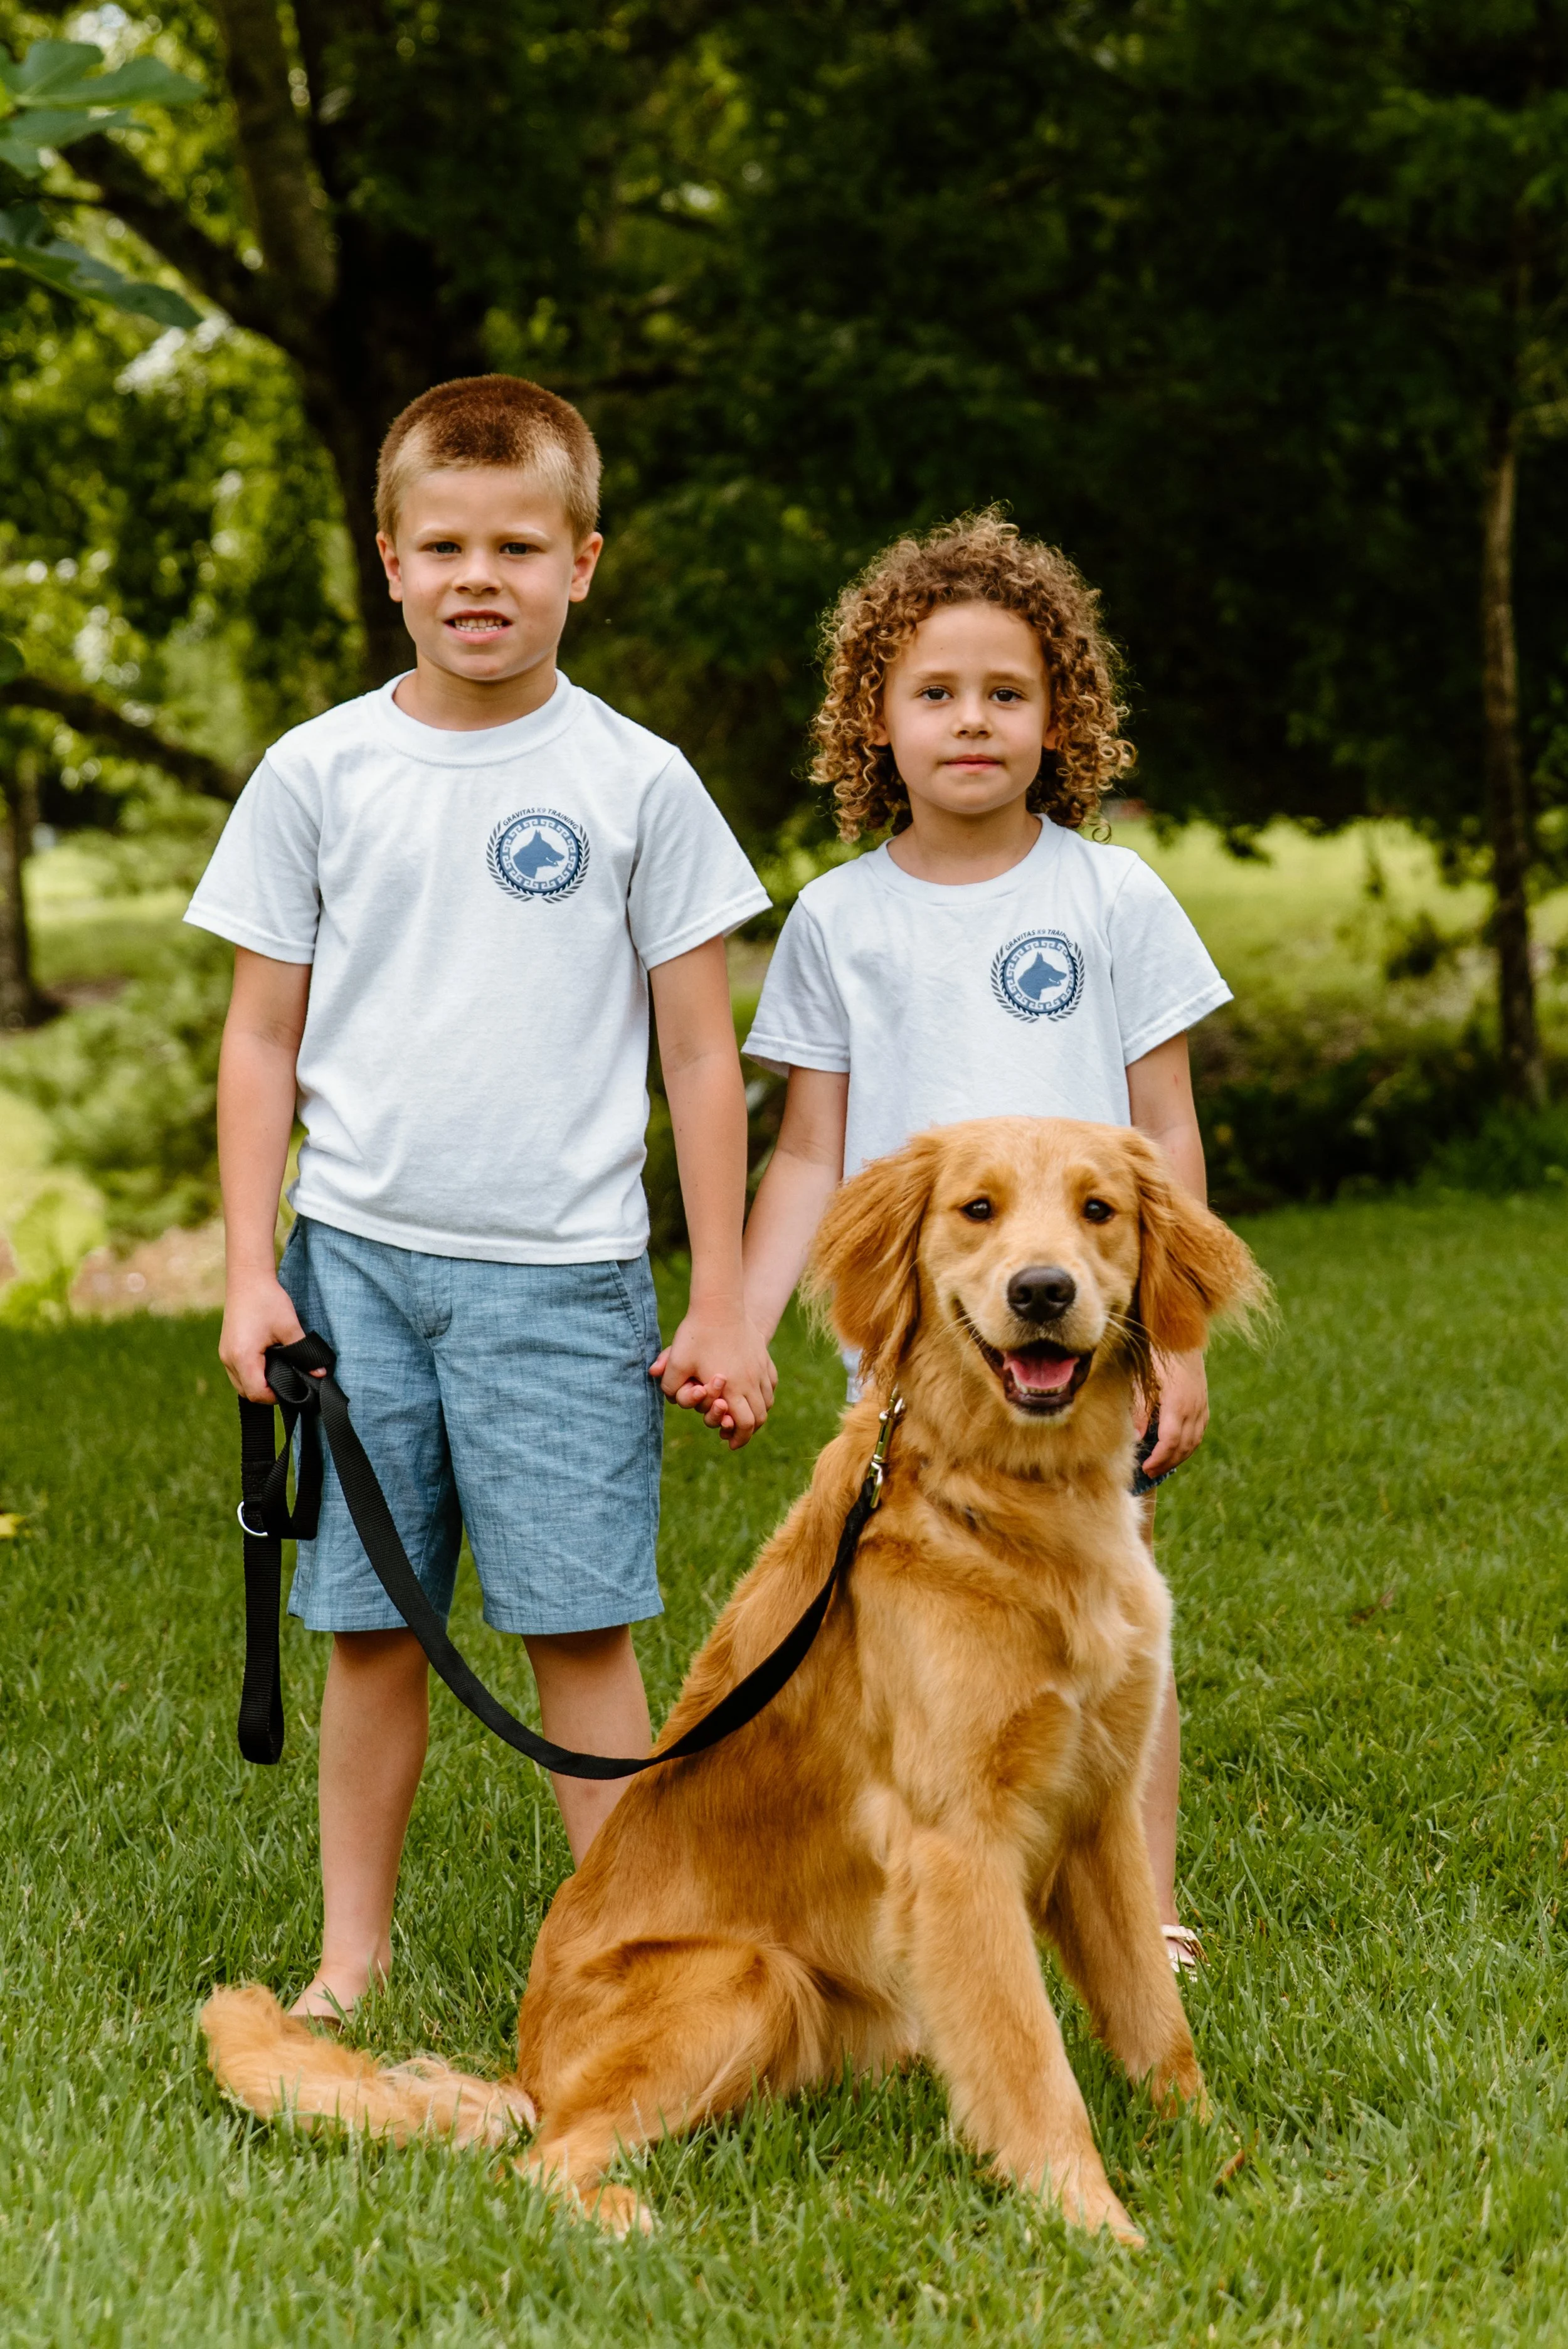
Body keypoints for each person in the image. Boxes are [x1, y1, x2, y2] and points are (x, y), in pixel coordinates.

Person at [188, 374, 774, 2025]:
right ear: (388, 558)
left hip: (565, 1278)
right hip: (356, 1268)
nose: (479, 577)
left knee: (577, 1628)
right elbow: (257, 1039)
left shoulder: (637, 781)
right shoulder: (319, 773)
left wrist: (720, 1296)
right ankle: (350, 1963)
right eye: (443, 543)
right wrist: (252, 1272)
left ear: (584, 561)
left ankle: (638, 1962)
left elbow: (702, 1062)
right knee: (373, 1636)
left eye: (519, 544)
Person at [730, 510, 1231, 1970]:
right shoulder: (837, 919)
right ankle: (945, 1870)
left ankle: (1134, 1909)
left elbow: (1165, 1132)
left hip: (1085, 1339)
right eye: (934, 694)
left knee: (1111, 1608)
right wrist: (739, 1322)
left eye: (1005, 694)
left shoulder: (1106, 894)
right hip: (915, 1351)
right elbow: (810, 1152)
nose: (970, 723)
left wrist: (1176, 1333)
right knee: (924, 1622)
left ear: (1057, 714)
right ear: (871, 721)